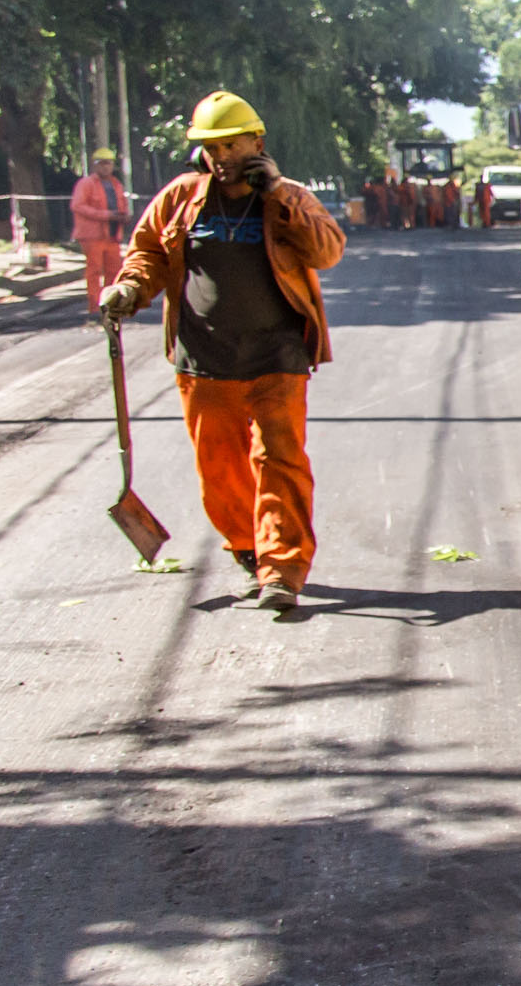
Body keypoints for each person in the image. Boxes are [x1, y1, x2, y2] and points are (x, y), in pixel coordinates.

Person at [97, 90, 345, 614]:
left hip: (276, 356)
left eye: (232, 144)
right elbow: (147, 254)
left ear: (257, 142)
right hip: (203, 358)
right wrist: (128, 289)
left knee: (278, 461)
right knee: (220, 469)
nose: (222, 156)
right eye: (211, 146)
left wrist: (277, 193)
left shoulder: (287, 196)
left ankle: (282, 569)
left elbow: (327, 250)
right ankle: (250, 549)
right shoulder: (181, 197)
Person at [69, 147, 130, 310]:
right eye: (101, 163)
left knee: (114, 271)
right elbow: (78, 205)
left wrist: (123, 216)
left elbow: (121, 204)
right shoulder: (86, 184)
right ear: (95, 165)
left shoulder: (116, 184)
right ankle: (95, 307)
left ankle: (110, 305)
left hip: (112, 235)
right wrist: (107, 215)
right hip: (93, 237)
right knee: (94, 271)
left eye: (108, 163)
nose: (105, 167)